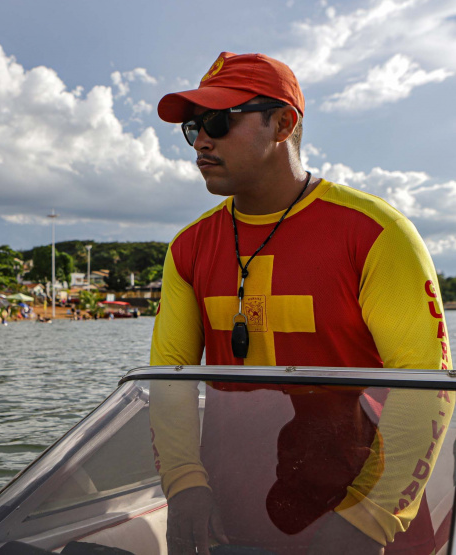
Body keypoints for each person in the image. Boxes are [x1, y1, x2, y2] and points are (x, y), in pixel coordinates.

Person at [148, 52, 453, 555]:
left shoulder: (377, 233)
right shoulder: (187, 248)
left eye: (220, 122)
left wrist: (367, 517)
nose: (201, 140)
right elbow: (168, 382)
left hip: (366, 527)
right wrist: (184, 487)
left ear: (284, 122)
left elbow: (427, 386)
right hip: (232, 522)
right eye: (194, 127)